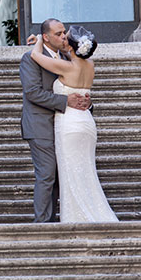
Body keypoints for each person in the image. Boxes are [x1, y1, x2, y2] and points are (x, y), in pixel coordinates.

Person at [29, 23, 118, 223]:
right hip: (86, 122)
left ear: (70, 46)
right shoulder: (90, 65)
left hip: (69, 124)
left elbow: (35, 56)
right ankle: (96, 214)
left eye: (64, 36)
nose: (61, 38)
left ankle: (78, 217)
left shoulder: (66, 66)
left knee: (71, 173)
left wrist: (38, 41)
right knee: (86, 171)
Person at [19, 18, 91, 222]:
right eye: (58, 34)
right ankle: (42, 223)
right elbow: (32, 93)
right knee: (47, 173)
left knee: (60, 177)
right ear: (46, 37)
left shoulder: (69, 59)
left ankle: (52, 221)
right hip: (40, 124)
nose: (63, 36)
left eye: (64, 32)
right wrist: (65, 100)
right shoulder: (30, 59)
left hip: (65, 126)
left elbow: (76, 86)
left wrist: (84, 101)